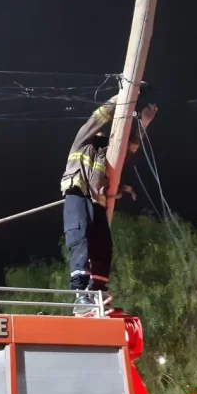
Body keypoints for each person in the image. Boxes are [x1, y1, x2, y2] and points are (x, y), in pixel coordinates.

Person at [60, 84, 158, 315]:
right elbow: (100, 115)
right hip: (76, 193)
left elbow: (130, 148)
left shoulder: (109, 155)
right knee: (80, 238)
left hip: (98, 201)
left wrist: (144, 123)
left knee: (103, 245)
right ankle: (81, 297)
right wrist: (126, 97)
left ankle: (98, 292)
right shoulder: (82, 142)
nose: (107, 135)